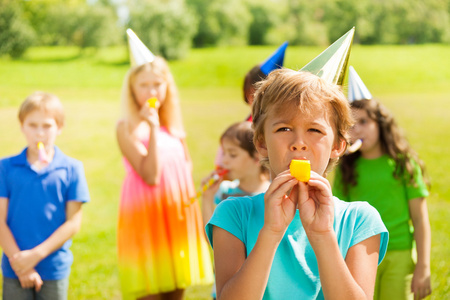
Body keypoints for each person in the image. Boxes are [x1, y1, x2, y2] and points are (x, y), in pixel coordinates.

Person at [205, 68, 389, 299]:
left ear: (338, 146)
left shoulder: (360, 220)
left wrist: (323, 235)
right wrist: (271, 232)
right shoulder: (233, 215)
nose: (299, 143)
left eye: (314, 129)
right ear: (261, 143)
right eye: (284, 128)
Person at [116, 29, 213, 300]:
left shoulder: (174, 127)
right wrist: (152, 128)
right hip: (146, 217)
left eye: (157, 84)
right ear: (132, 89)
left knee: (175, 290)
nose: (151, 91)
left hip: (175, 217)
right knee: (150, 289)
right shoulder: (127, 128)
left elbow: (185, 169)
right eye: (143, 85)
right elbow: (150, 174)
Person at [332, 67, 431, 300]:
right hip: (359, 254)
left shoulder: (403, 163)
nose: (357, 130)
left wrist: (423, 266)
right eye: (351, 125)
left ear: (381, 124)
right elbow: (338, 219)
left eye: (364, 122)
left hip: (399, 253)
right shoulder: (346, 169)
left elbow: (419, 217)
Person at [0, 91, 90, 299]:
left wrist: (35, 256)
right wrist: (21, 264)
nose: (39, 133)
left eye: (47, 126)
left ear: (59, 128)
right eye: (32, 125)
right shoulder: (5, 168)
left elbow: (73, 223)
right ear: (22, 126)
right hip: (15, 265)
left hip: (53, 267)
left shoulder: (72, 169)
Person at [202, 121, 270, 224]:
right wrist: (207, 197)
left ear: (257, 158)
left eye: (232, 154)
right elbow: (212, 238)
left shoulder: (272, 195)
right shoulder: (224, 192)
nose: (224, 160)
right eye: (224, 153)